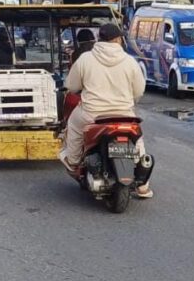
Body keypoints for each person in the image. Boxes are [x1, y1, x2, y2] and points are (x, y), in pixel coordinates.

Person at [59, 23, 152, 199]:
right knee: (137, 141)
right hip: (124, 114)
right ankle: (143, 186)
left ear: (100, 38)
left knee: (73, 124)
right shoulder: (130, 61)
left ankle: (72, 161)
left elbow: (71, 86)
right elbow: (139, 91)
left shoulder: (86, 59)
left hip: (93, 114)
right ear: (117, 39)